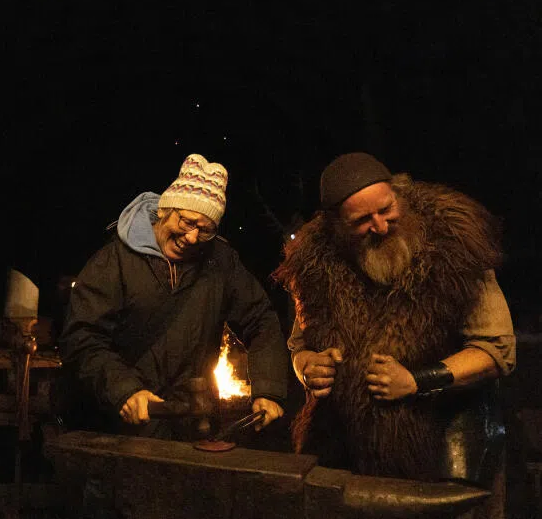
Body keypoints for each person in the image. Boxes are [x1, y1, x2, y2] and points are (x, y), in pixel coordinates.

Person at [273, 152, 516, 489]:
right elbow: (299, 345)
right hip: (345, 452)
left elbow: (496, 351)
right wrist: (308, 366)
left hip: (441, 449)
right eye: (361, 220)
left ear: (397, 194)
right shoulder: (315, 268)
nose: (381, 227)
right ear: (336, 225)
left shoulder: (457, 248)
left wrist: (417, 381)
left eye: (386, 209)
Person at [59, 153, 288, 441]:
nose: (192, 237)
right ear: (166, 210)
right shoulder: (115, 261)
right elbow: (82, 339)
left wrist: (269, 389)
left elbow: (260, 319)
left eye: (205, 230)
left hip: (193, 427)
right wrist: (124, 390)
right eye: (187, 221)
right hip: (118, 429)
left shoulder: (222, 262)